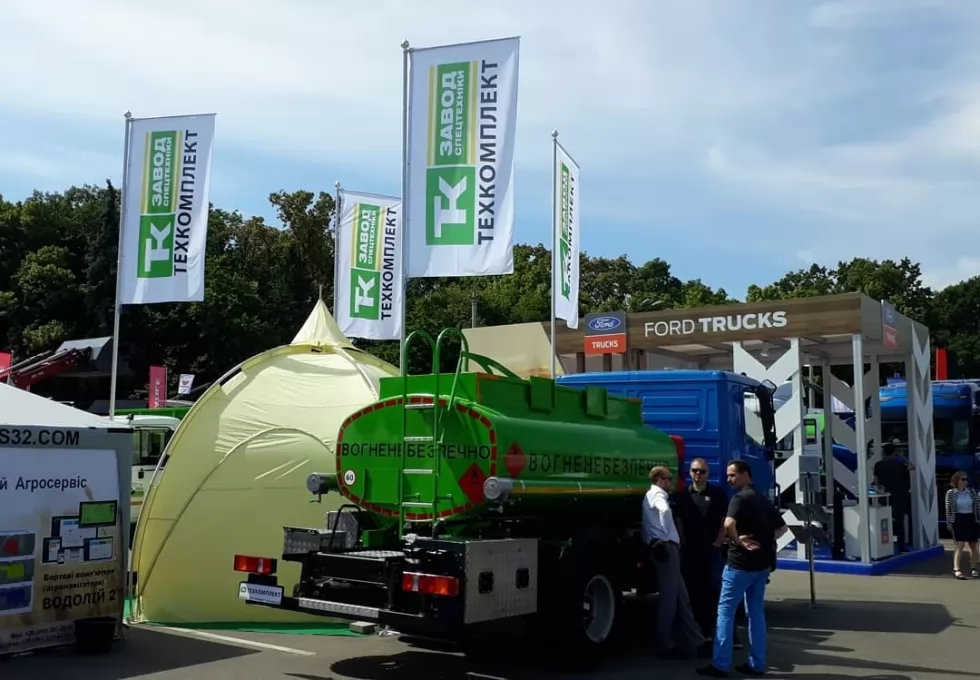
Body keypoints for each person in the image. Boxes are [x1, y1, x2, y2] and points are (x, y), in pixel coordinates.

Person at [698, 460, 787, 678]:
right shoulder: (762, 499)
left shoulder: (739, 498)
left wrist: (738, 541)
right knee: (755, 614)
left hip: (740, 565)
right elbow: (782, 528)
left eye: (732, 475)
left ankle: (721, 664)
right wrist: (764, 540)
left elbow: (728, 524)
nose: (728, 479)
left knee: (725, 613)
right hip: (761, 566)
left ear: (745, 475)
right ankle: (757, 663)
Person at [642, 465, 705, 659]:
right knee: (670, 600)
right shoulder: (659, 495)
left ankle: (697, 640)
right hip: (667, 548)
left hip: (662, 547)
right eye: (668, 478)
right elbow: (665, 512)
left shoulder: (649, 495)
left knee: (681, 597)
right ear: (660, 480)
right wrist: (669, 534)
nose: (671, 482)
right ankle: (665, 644)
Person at [673, 458, 728, 639]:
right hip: (690, 550)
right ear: (690, 473)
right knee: (692, 589)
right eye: (695, 470)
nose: (698, 474)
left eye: (702, 471)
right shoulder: (682, 496)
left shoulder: (718, 495)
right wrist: (683, 541)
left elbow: (724, 521)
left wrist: (718, 542)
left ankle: (723, 631)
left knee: (716, 588)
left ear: (708, 474)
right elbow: (678, 521)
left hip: (712, 550)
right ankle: (694, 630)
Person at [873, 441, 916, 552]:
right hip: (900, 496)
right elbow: (912, 467)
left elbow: (876, 482)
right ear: (894, 452)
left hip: (885, 497)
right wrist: (902, 457)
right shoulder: (900, 464)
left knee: (884, 520)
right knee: (899, 521)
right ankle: (901, 545)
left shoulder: (878, 464)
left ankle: (884, 545)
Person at [944, 471, 980, 580]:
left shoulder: (971, 492)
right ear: (957, 480)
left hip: (971, 518)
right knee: (960, 544)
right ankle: (957, 569)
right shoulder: (951, 493)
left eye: (966, 479)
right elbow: (948, 509)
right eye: (963, 479)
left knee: (973, 544)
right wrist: (949, 522)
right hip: (958, 519)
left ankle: (974, 568)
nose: (965, 482)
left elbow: (977, 506)